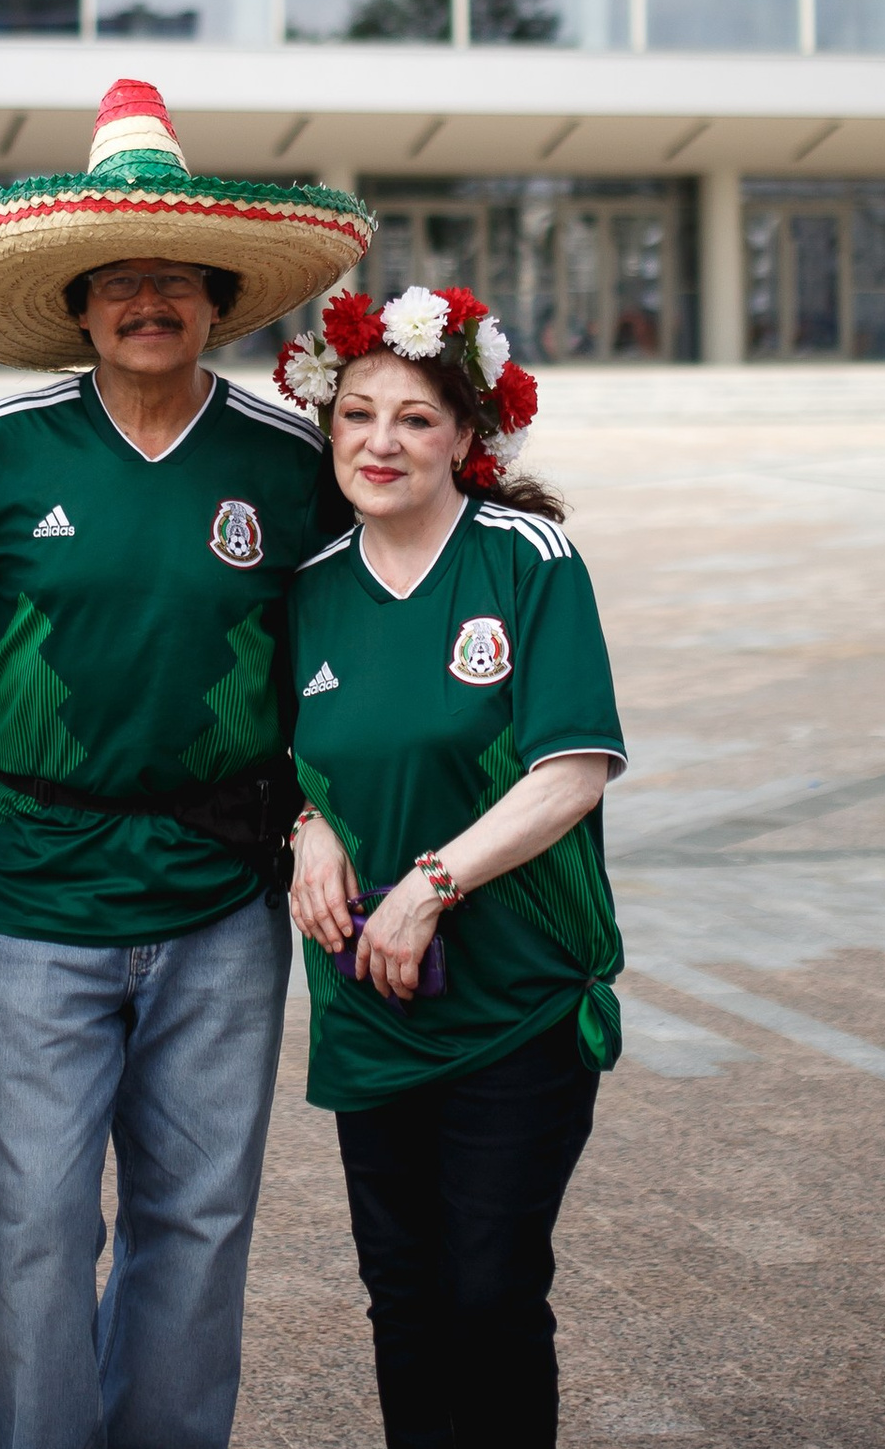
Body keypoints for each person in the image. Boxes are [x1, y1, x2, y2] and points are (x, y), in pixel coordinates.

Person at [0, 79, 375, 1449]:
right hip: (37, 895)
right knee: (27, 1229)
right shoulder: (8, 455)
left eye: (176, 281)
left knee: (197, 1224)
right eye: (120, 283)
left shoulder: (288, 463)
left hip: (220, 898)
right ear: (80, 305)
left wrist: (340, 818)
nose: (148, 301)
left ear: (216, 300)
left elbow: (344, 660)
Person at [277, 283, 626, 1449]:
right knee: (406, 1301)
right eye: (358, 414)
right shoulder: (309, 586)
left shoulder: (524, 558)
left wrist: (432, 886)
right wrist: (304, 824)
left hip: (512, 997)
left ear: (466, 437)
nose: (381, 442)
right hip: (369, 1004)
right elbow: (279, 752)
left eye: (415, 418)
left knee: (489, 1289)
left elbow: (572, 765)